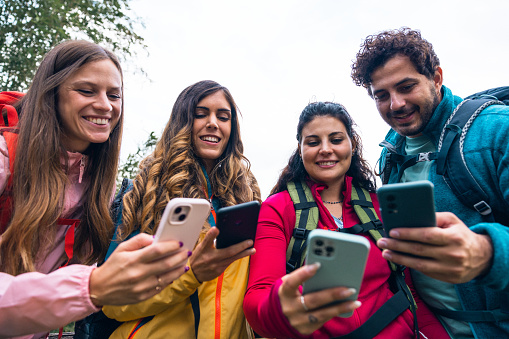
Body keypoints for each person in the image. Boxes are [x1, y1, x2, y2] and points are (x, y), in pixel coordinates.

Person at [0, 40, 190, 339]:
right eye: (86, 90)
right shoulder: (5, 158)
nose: (105, 105)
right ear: (51, 95)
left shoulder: (104, 189)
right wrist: (91, 285)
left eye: (114, 95)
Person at [351, 27, 509, 337]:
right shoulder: (390, 154)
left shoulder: (497, 130)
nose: (395, 104)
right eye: (381, 95)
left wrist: (487, 251)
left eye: (406, 86)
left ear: (436, 77)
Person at [243, 101, 448, 338]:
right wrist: (279, 310)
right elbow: (257, 297)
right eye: (313, 142)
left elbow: (408, 288)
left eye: (336, 139)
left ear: (352, 144)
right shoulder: (279, 208)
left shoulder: (378, 205)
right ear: (300, 149)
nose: (325, 149)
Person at [102, 80, 261, 338]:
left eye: (224, 117)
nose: (213, 123)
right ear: (182, 122)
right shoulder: (146, 191)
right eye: (200, 114)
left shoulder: (246, 201)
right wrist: (192, 275)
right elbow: (111, 299)